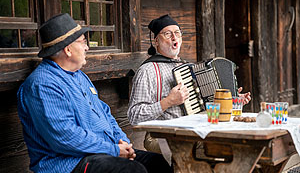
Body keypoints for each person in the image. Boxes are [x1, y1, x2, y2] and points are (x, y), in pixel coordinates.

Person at [17, 13, 173, 173]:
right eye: (83, 42)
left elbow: (105, 113)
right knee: (131, 170)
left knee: (157, 163)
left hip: (102, 153)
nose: (87, 47)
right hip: (69, 163)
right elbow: (66, 137)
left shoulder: (79, 76)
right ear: (68, 49)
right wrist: (113, 150)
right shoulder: (43, 85)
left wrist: (123, 142)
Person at [127, 14, 251, 153]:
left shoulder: (189, 68)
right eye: (167, 34)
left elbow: (206, 104)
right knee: (216, 149)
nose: (174, 37)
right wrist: (168, 102)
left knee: (236, 143)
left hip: (194, 129)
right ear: (156, 41)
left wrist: (232, 100)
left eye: (177, 33)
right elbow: (134, 116)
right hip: (162, 134)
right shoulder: (147, 71)